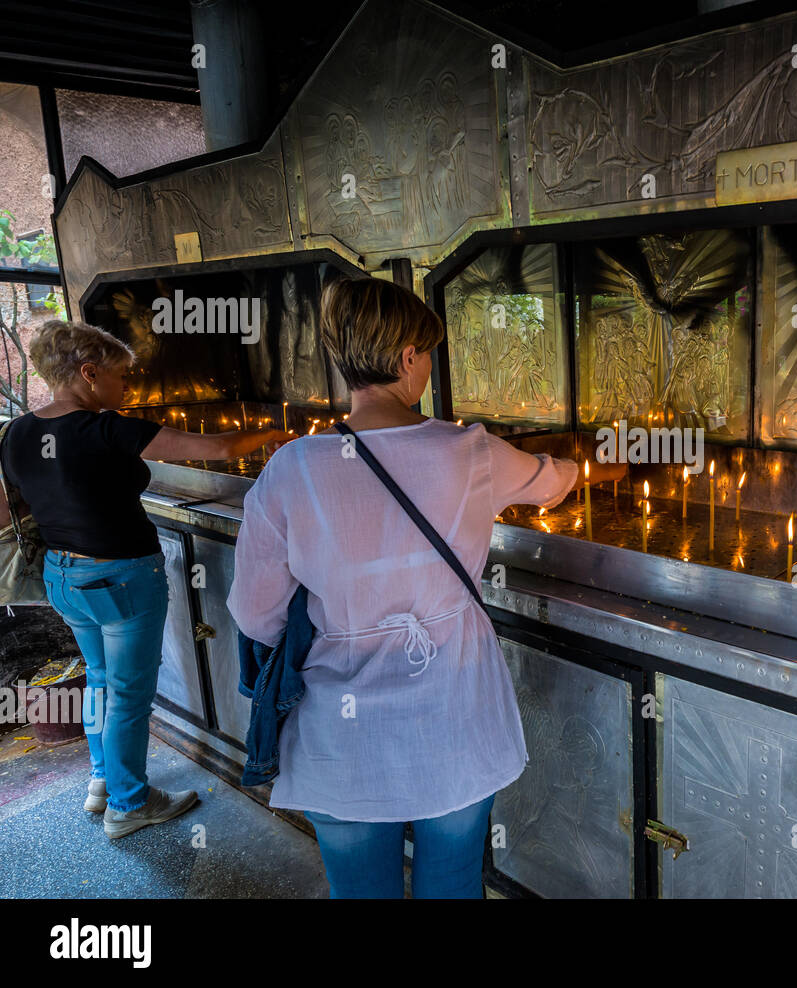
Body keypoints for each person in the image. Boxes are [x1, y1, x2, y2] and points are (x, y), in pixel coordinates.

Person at [226, 276, 624, 898]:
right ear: (409, 356)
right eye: (428, 354)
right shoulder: (468, 451)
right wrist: (618, 458)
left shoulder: (291, 468)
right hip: (451, 715)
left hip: (341, 727)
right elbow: (553, 483)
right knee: (453, 879)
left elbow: (255, 613)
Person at [0, 319, 293, 838]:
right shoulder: (108, 429)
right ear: (88, 373)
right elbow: (221, 449)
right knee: (131, 694)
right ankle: (130, 804)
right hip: (122, 578)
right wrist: (276, 434)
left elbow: (9, 510)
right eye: (120, 377)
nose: (128, 388)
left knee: (99, 680)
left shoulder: (19, 432)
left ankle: (102, 782)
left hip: (62, 577)